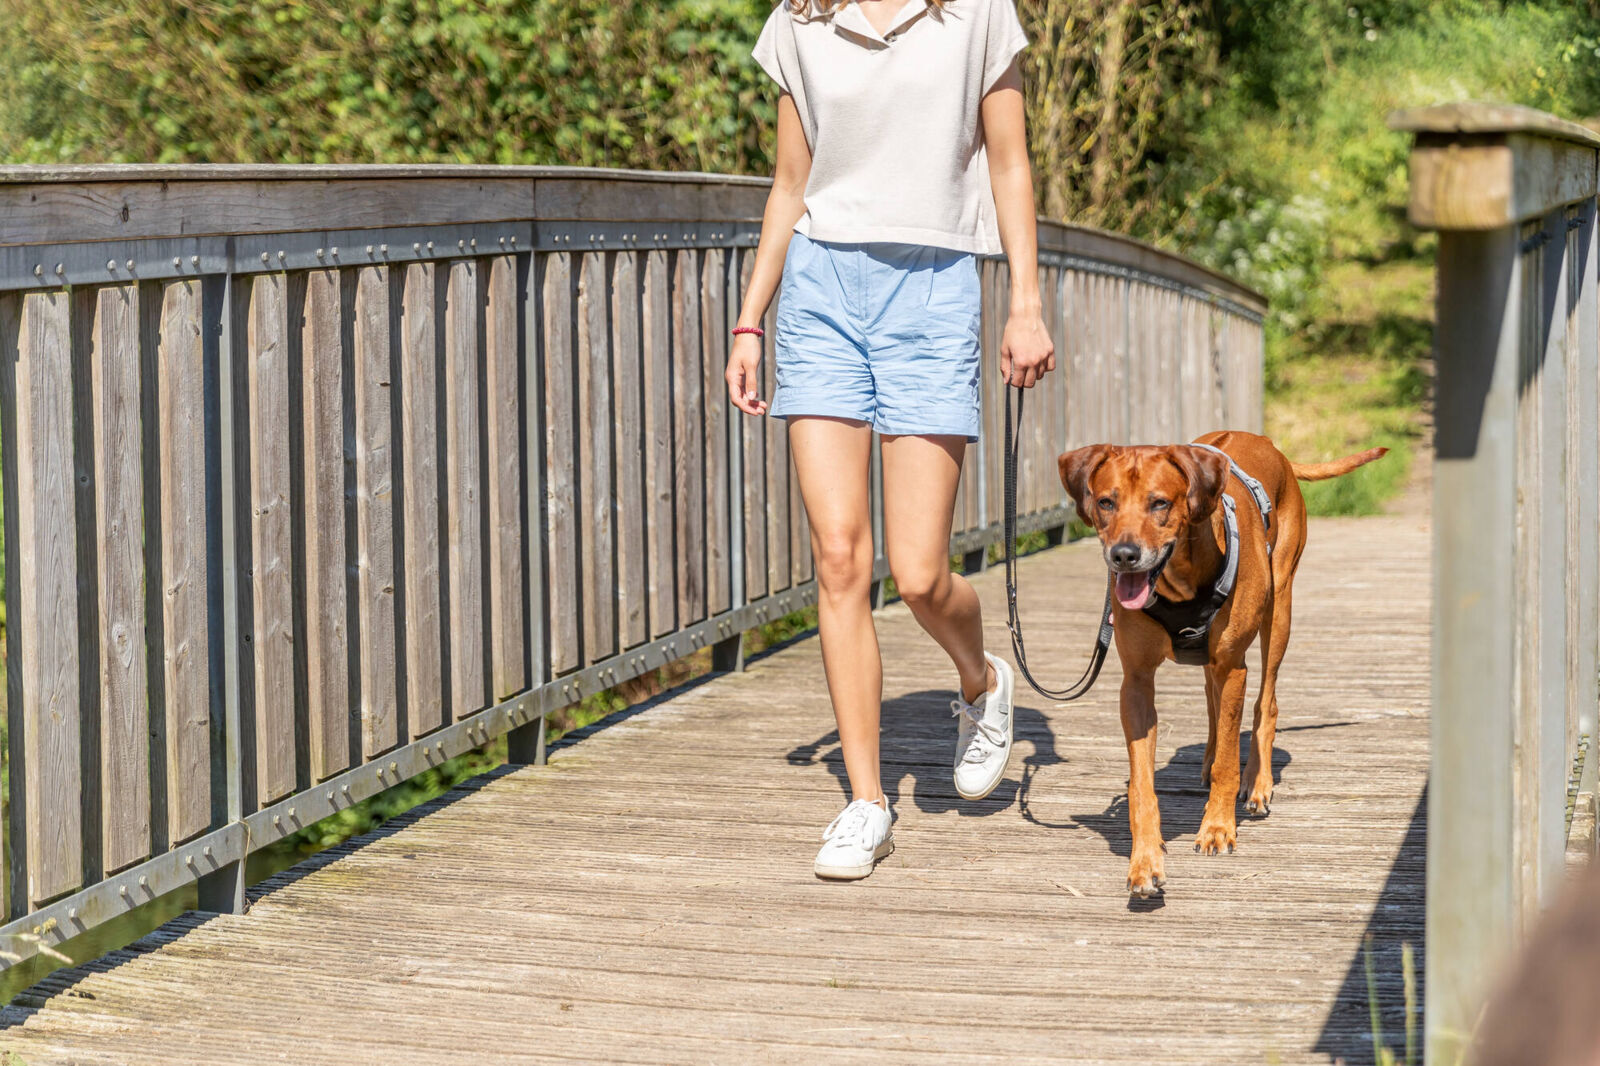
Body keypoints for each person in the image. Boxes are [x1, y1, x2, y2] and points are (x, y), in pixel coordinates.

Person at [726, 0, 1054, 880]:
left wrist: (1024, 302)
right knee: (839, 556)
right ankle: (865, 804)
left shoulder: (979, 13)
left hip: (934, 286)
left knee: (917, 572)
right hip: (821, 291)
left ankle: (980, 681)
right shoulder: (801, 19)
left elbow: (1011, 167)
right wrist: (751, 320)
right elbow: (791, 183)